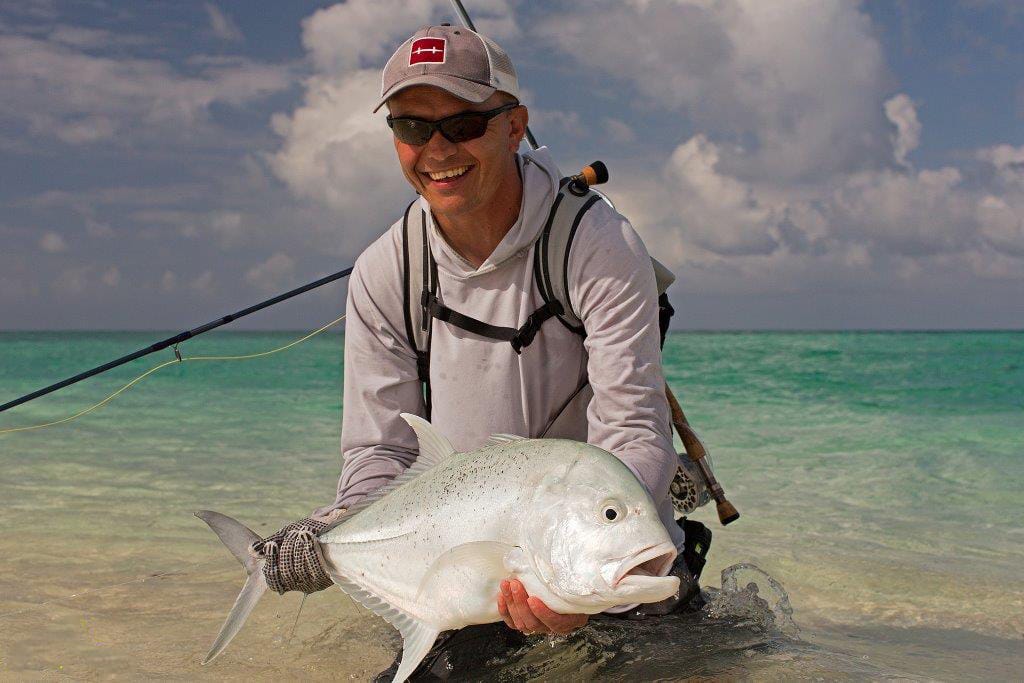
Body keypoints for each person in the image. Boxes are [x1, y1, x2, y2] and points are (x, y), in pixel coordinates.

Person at [256, 23, 709, 678]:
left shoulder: (597, 244)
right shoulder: (386, 272)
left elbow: (633, 428)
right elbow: (379, 451)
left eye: (464, 124)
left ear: (514, 125)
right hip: (465, 565)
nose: (436, 148)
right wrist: (338, 533)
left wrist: (572, 576)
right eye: (412, 127)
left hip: (595, 552)